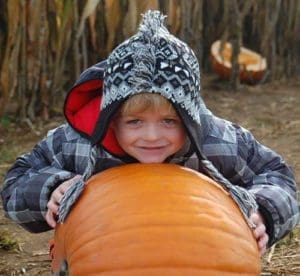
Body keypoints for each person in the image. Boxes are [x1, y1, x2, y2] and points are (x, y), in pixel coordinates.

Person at [1, 10, 299, 257]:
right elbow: (16, 180)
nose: (152, 136)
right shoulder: (78, 143)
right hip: (102, 256)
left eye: (170, 121)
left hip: (197, 256)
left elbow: (276, 175)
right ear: (112, 119)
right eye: (135, 122)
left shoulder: (217, 143)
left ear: (189, 118)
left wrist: (262, 212)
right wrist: (51, 190)